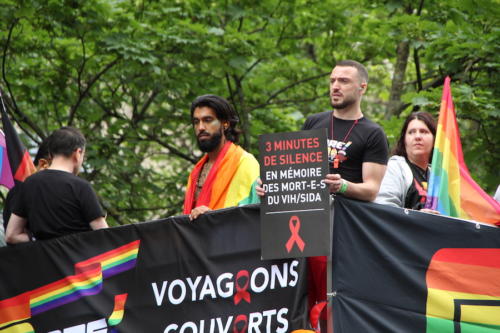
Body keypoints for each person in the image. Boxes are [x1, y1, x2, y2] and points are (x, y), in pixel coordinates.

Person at [257, 60, 389, 329]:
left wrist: (342, 186)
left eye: (343, 81)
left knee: (332, 305)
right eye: (332, 81)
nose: (335, 86)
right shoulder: (314, 122)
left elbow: (371, 190)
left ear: (362, 87)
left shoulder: (373, 134)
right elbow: (294, 172)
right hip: (304, 230)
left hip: (344, 235)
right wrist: (271, 187)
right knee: (302, 302)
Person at [6, 127, 108, 243]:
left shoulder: (29, 183)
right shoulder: (81, 187)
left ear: (50, 154)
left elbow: (11, 235)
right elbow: (104, 235)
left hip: (42, 259)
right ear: (78, 153)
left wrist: (35, 238)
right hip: (78, 259)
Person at [183, 94, 260, 221]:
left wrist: (214, 218)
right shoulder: (195, 173)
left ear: (225, 124)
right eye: (196, 122)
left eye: (207, 120)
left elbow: (254, 218)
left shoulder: (245, 163)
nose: (200, 127)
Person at [375, 112, 439, 213]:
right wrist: (418, 216)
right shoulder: (395, 168)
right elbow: (384, 209)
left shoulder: (438, 176)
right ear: (404, 140)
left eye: (423, 132)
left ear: (435, 139)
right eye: (411, 132)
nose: (417, 136)